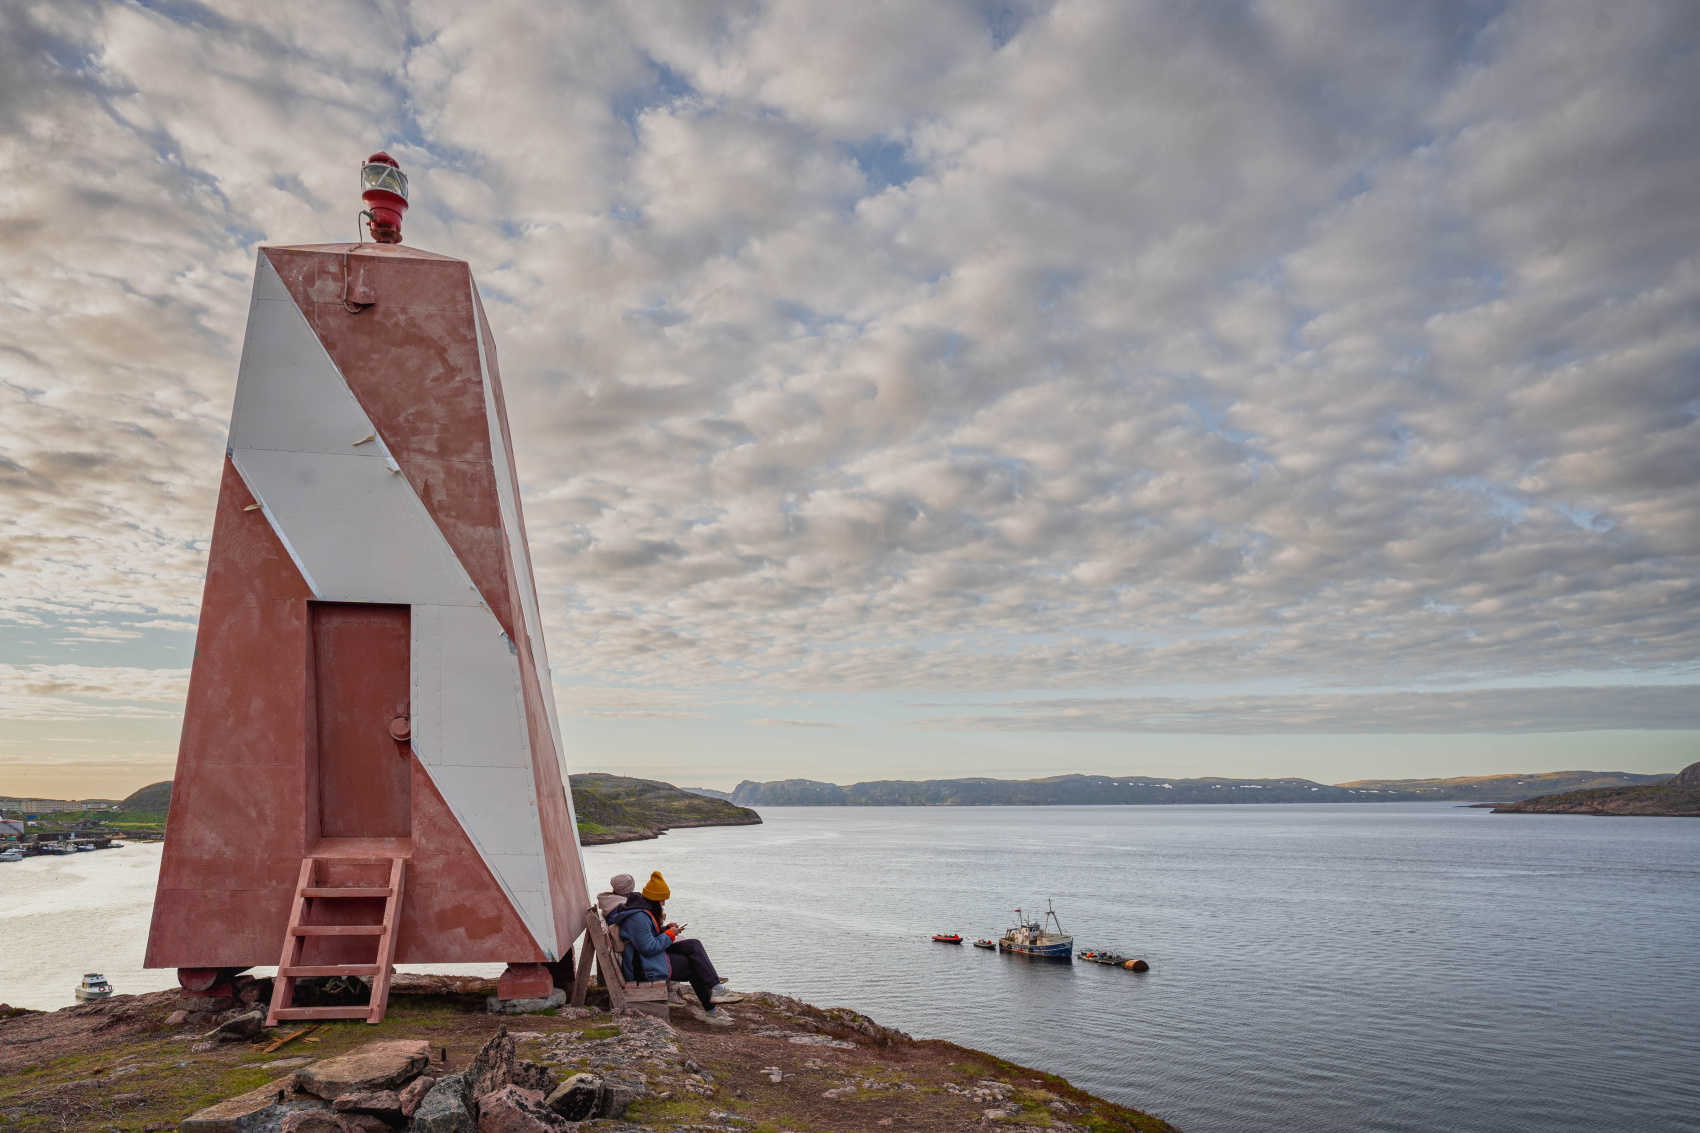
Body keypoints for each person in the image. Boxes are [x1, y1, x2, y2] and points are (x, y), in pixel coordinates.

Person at [606, 870, 732, 1025]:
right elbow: (648, 948)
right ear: (653, 899)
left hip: (642, 958)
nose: (663, 904)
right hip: (641, 966)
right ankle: (712, 1011)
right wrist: (670, 935)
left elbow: (645, 936)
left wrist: (666, 929)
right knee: (692, 966)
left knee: (694, 944)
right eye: (661, 901)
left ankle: (717, 989)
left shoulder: (641, 910)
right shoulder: (639, 917)